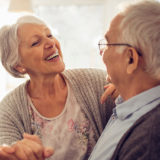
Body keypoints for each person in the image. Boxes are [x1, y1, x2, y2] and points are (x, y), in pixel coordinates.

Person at [0, 15, 115, 160]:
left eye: (49, 35)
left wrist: (126, 89)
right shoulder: (9, 111)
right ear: (19, 65)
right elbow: (7, 152)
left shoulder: (96, 82)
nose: (51, 43)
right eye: (36, 43)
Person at [89, 0, 160, 160]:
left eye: (108, 44)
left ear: (130, 59)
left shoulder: (149, 140)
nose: (102, 53)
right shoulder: (129, 106)